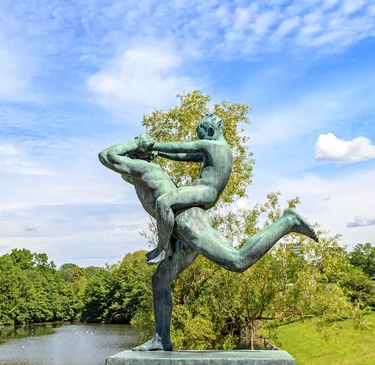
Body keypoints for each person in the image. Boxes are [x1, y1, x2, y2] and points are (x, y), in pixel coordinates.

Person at [99, 136, 318, 351]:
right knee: (160, 279)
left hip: (188, 223)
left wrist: (136, 144)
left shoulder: (146, 170)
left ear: (136, 157)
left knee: (237, 261)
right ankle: (161, 339)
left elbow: (107, 156)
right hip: (181, 231)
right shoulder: (141, 176)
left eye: (129, 158)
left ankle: (288, 222)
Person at [137, 114, 233, 264]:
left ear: (210, 131)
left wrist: (153, 145)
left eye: (202, 137)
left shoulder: (214, 146)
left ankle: (163, 248)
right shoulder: (220, 149)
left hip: (205, 191)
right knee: (173, 206)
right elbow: (184, 155)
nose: (201, 141)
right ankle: (175, 241)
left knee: (164, 202)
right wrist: (159, 153)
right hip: (205, 191)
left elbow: (183, 146)